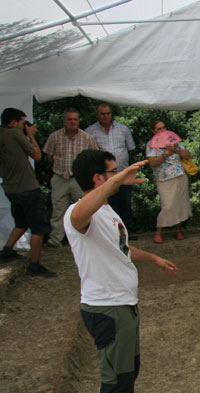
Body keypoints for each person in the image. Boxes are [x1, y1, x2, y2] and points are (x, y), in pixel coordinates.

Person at [65, 149, 178, 393]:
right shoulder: (79, 212)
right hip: (107, 309)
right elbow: (77, 217)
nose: (122, 175)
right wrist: (116, 181)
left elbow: (122, 248)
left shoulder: (106, 212)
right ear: (98, 178)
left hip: (122, 305)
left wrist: (153, 258)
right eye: (113, 171)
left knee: (128, 371)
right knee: (115, 380)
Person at [0, 108, 55, 277]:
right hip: (27, 187)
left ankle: (6, 250)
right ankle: (35, 264)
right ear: (13, 123)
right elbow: (36, 155)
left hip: (10, 187)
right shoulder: (15, 134)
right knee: (38, 228)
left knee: (22, 222)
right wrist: (30, 134)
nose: (25, 126)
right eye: (22, 123)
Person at [43, 108, 99, 247]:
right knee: (58, 209)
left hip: (79, 179)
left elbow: (94, 158)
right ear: (64, 120)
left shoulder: (87, 137)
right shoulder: (54, 136)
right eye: (70, 119)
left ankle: (86, 238)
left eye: (75, 119)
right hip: (60, 178)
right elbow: (49, 156)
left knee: (84, 208)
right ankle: (55, 240)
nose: (73, 122)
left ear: (79, 121)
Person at [85, 103, 136, 231]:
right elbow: (90, 155)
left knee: (126, 203)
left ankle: (128, 230)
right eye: (103, 114)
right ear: (97, 115)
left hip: (123, 173)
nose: (106, 116)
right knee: (109, 204)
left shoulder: (123, 129)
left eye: (108, 113)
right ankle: (112, 231)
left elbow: (130, 149)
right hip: (105, 176)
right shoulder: (90, 131)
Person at [145, 120, 192, 243]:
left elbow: (188, 155)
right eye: (159, 128)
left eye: (163, 127)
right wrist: (166, 154)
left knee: (180, 203)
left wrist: (176, 150)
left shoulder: (174, 141)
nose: (162, 130)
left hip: (180, 175)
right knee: (168, 205)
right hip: (164, 178)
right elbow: (152, 162)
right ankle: (159, 232)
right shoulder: (151, 144)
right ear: (153, 131)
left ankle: (178, 230)